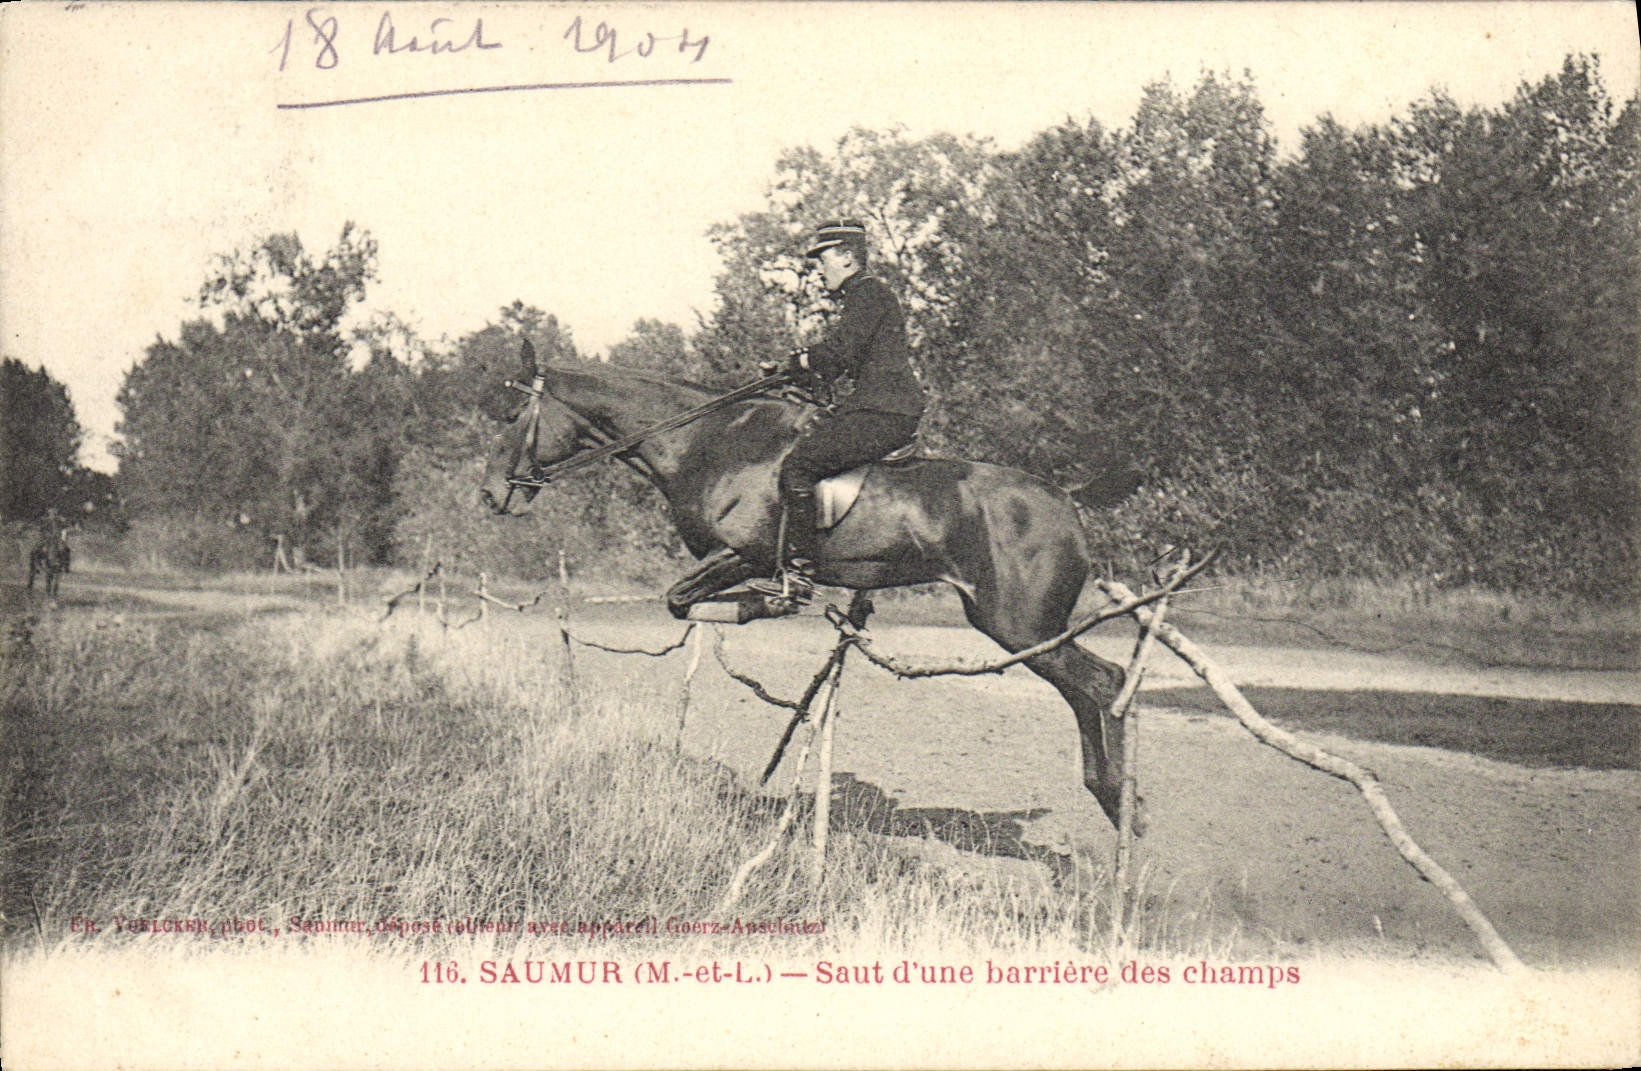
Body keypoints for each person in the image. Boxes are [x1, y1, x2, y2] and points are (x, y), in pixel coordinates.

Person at [747, 220, 926, 604]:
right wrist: (796, 371)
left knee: (798, 467)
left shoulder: (868, 294)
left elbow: (841, 352)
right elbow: (839, 361)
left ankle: (800, 572)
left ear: (847, 257)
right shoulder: (863, 296)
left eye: (822, 258)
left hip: (883, 411)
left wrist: (803, 360)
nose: (817, 269)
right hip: (878, 407)